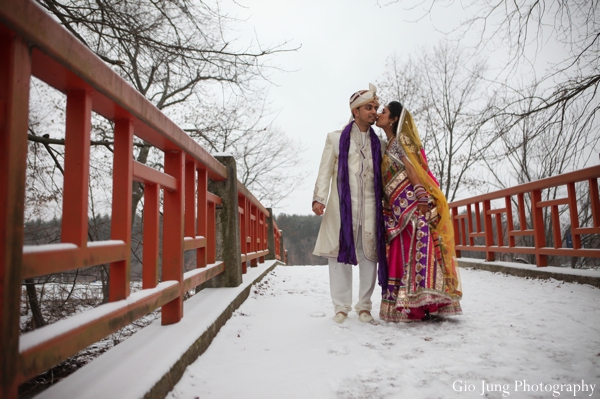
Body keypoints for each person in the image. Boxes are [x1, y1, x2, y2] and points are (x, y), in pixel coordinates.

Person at [375, 101, 462, 322]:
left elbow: (413, 170)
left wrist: (422, 196)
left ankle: (417, 303)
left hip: (411, 207)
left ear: (394, 119)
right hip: (397, 211)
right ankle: (407, 304)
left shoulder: (401, 141)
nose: (379, 114)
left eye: (383, 112)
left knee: (410, 251)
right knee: (400, 251)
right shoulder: (388, 143)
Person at [312, 84, 388, 324]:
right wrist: (318, 198)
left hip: (371, 209)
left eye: (376, 107)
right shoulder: (335, 139)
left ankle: (364, 306)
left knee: (369, 255)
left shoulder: (380, 145)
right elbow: (325, 171)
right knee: (338, 257)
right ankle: (341, 307)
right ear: (355, 111)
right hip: (340, 209)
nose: (374, 111)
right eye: (369, 107)